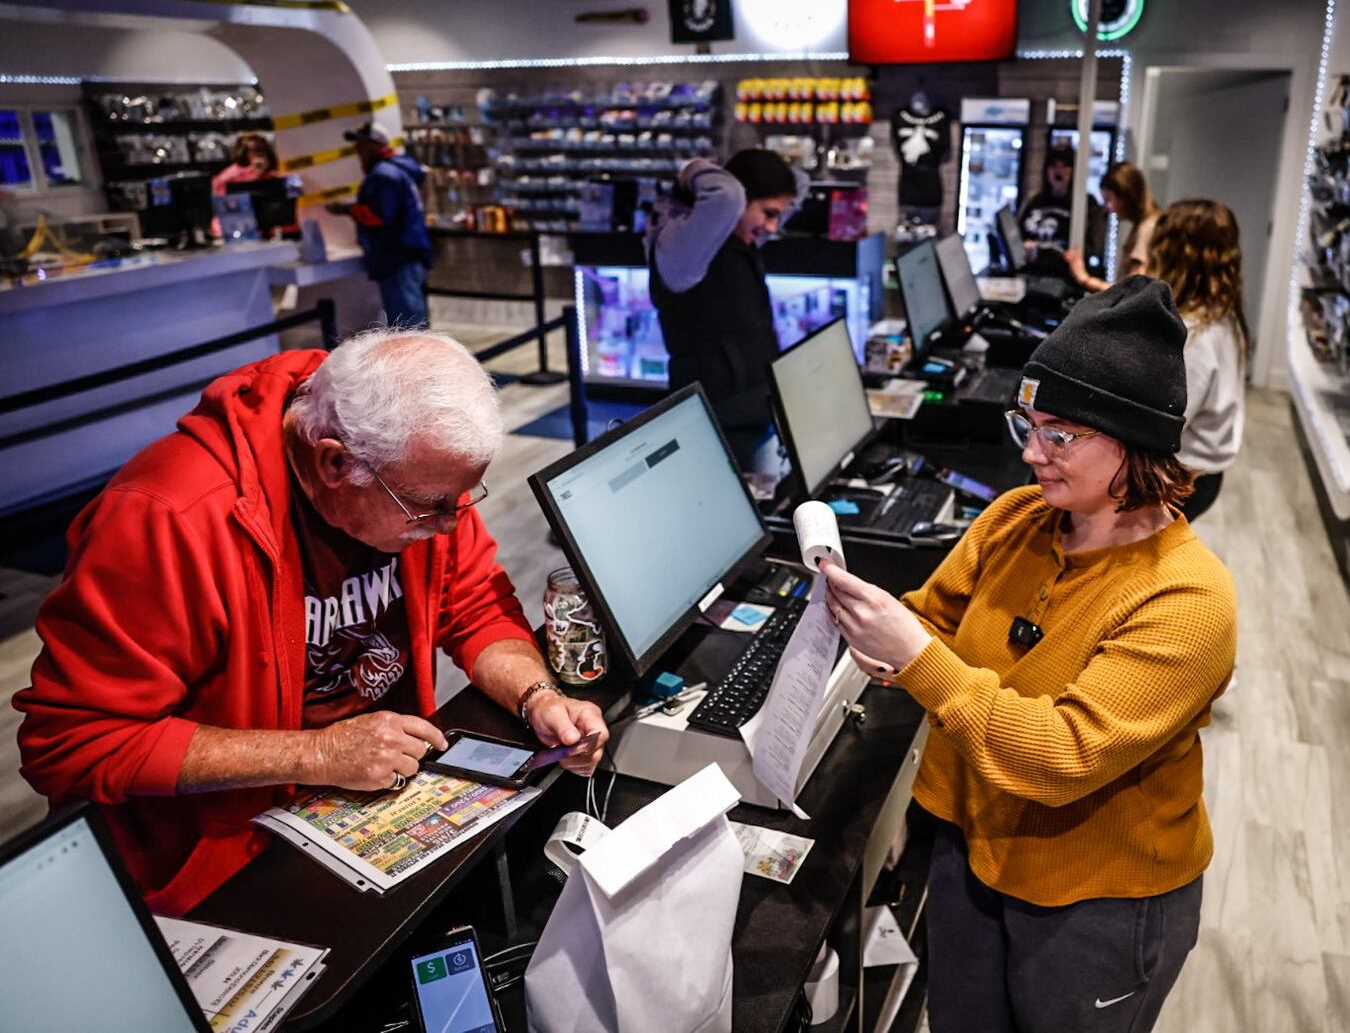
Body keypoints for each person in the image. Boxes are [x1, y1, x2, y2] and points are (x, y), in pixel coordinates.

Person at [13, 329, 608, 916]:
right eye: (430, 507)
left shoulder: (406, 462)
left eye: (462, 499)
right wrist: (317, 754)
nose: (451, 525)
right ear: (333, 463)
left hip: (370, 809)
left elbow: (474, 603)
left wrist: (537, 696)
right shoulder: (168, 518)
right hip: (222, 867)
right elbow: (74, 743)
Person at [818, 277, 1237, 1033]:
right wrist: (859, 625)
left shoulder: (1188, 602)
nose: (1034, 454)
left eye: (1060, 435)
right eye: (1028, 425)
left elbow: (1060, 757)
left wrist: (912, 655)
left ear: (1134, 441)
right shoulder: (1019, 517)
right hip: (971, 848)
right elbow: (932, 621)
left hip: (1099, 904)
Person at [645, 148, 808, 464]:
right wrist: (692, 170)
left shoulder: (740, 237)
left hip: (753, 411)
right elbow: (727, 195)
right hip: (709, 420)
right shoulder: (686, 247)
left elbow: (801, 183)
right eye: (769, 213)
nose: (773, 228)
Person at [1144, 199, 1249, 522]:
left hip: (1180, 478)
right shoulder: (1222, 315)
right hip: (1201, 473)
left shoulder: (1193, 337)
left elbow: (1161, 423)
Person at [327, 122, 433, 328]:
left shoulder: (383, 175)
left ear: (375, 145)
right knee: (409, 320)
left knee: (407, 325)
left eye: (362, 145)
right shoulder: (395, 170)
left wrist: (346, 209)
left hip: (397, 257)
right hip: (405, 255)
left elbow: (379, 215)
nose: (357, 151)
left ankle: (415, 361)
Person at [1017, 144, 1108, 283]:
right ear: (1046, 170)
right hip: (1031, 275)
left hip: (1067, 279)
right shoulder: (1034, 201)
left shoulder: (1087, 203)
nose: (1058, 171)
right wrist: (1024, 248)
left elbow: (1094, 247)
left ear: (1073, 171)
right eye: (1053, 166)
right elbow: (1015, 240)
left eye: (1065, 166)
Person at [1065, 160, 1160, 291]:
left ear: (1126, 196)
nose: (1106, 208)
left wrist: (1085, 279)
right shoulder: (1144, 226)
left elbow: (1132, 291)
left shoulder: (1147, 228)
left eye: (1108, 200)